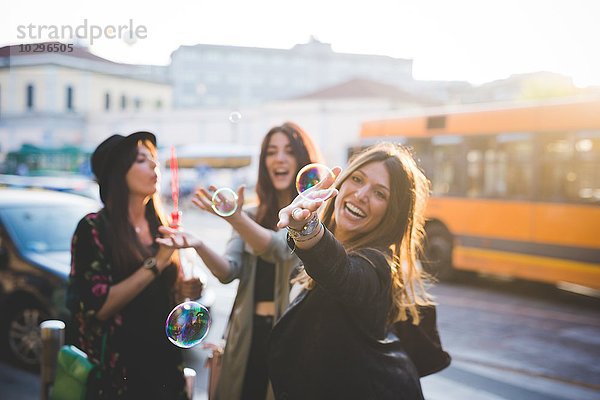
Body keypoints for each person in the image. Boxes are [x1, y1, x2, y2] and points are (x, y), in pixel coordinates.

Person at [158, 122, 322, 400]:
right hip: (245, 335)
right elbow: (228, 271)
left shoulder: (311, 215)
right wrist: (198, 244)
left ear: (302, 159)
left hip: (292, 335)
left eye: (288, 151)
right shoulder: (250, 214)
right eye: (271, 152)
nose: (279, 158)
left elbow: (279, 249)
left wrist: (235, 217)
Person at [269, 142, 432, 400]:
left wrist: (308, 229)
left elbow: (342, 273)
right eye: (357, 179)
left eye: (380, 194)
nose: (361, 194)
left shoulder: (378, 266)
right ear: (341, 182)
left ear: (392, 213)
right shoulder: (318, 256)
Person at [66, 131, 203, 399]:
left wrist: (187, 289)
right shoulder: (93, 228)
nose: (154, 165)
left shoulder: (160, 226)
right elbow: (100, 308)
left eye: (154, 159)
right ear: (118, 172)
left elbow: (167, 295)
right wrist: (156, 264)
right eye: (141, 160)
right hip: (120, 372)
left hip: (165, 366)